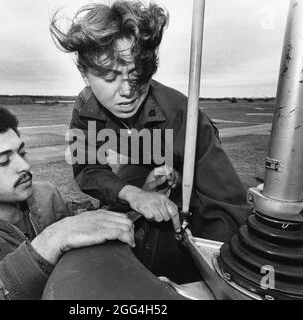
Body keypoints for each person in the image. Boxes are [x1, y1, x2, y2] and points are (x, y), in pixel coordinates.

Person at [50, 0, 252, 282]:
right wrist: (134, 194)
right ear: (84, 74)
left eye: (137, 76)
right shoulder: (86, 108)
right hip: (141, 166)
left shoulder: (183, 114)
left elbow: (225, 205)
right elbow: (88, 169)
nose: (127, 92)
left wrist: (217, 275)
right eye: (109, 77)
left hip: (192, 181)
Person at [0, 105, 134, 299]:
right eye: (3, 161)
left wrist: (138, 195)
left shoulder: (46, 194)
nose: (24, 166)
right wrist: (51, 240)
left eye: (22, 153)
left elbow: (92, 221)